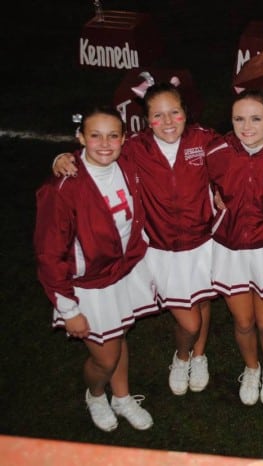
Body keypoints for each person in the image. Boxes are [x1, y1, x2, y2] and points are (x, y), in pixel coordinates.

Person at [52, 82, 219, 397]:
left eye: (175, 113)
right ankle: (181, 356)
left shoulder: (205, 140)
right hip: (161, 249)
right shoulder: (134, 148)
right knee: (190, 321)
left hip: (202, 243)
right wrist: (63, 157)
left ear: (187, 114)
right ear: (145, 121)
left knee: (202, 300)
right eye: (158, 115)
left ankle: (199, 355)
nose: (168, 122)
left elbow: (238, 154)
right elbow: (96, 152)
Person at [35, 106, 158, 432]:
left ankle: (122, 396)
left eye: (113, 135)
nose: (105, 144)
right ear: (80, 139)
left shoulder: (128, 164)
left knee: (118, 337)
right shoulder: (61, 189)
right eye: (95, 136)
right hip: (86, 286)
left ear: (124, 139)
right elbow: (49, 255)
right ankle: (95, 393)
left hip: (120, 273)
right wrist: (68, 308)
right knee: (105, 357)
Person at [206, 89, 263, 405]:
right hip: (229, 249)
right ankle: (251, 368)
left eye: (256, 118)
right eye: (239, 119)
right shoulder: (216, 151)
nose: (247, 127)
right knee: (243, 322)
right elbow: (195, 179)